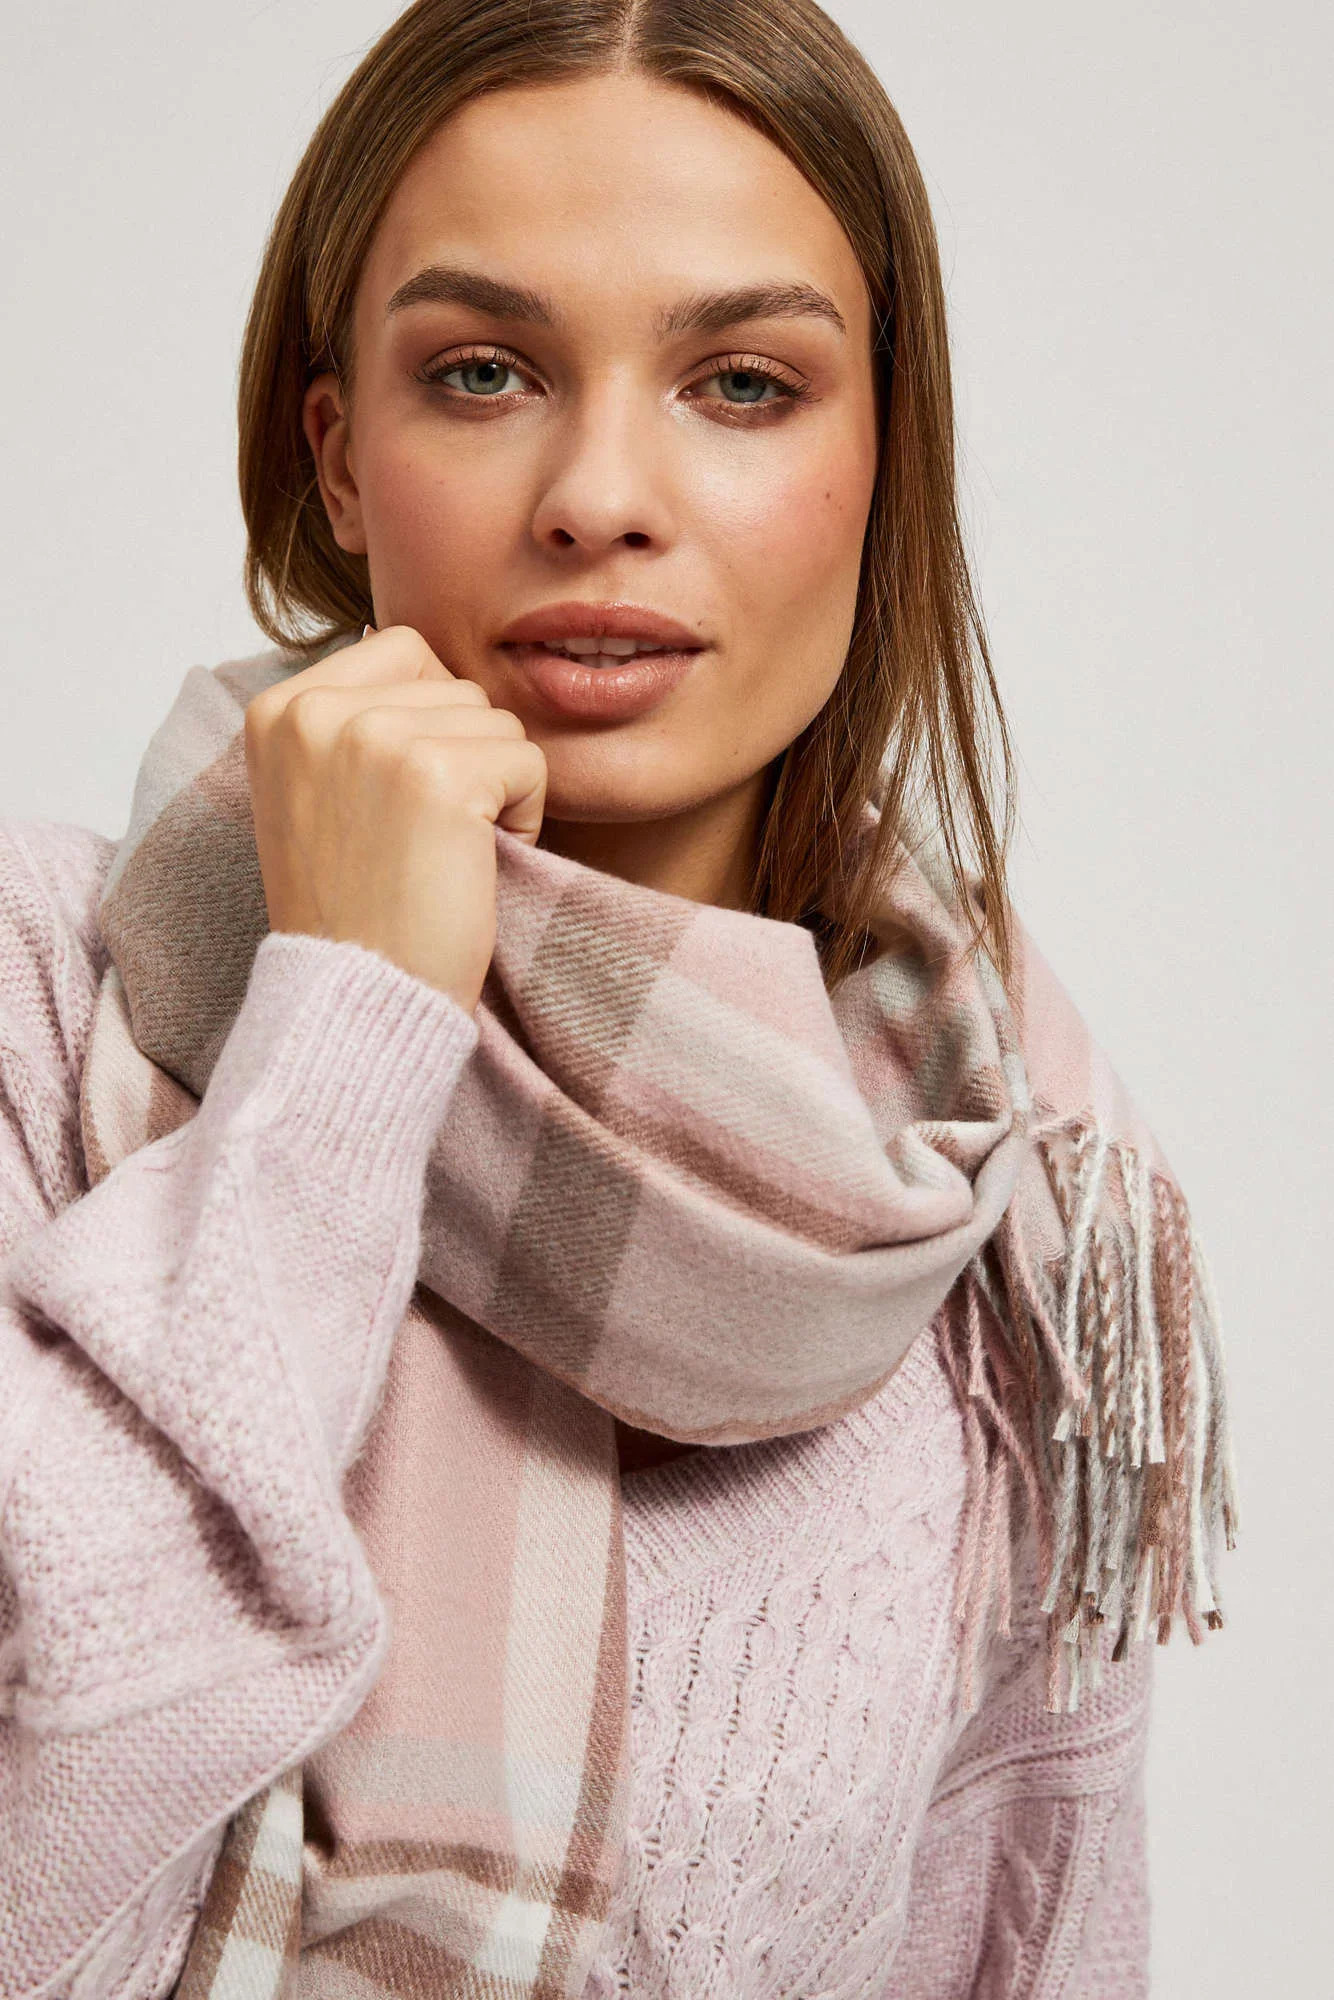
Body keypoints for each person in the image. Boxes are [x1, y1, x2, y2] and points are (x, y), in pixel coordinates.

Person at [0, 2, 1237, 1996]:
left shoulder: (997, 1195)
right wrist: (344, 1029)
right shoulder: (44, 999)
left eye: (742, 384)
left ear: (882, 460)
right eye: (481, 372)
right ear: (338, 457)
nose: (596, 494)